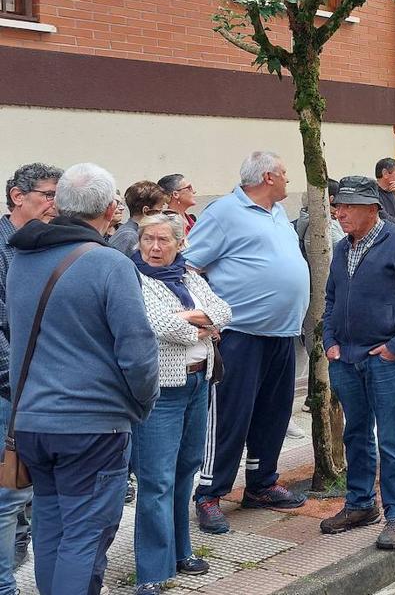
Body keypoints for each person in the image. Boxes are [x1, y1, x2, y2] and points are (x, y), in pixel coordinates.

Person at [7, 163, 158, 595]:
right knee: (85, 538)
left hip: (34, 423)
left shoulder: (22, 258)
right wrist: (142, 405)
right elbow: (138, 352)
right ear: (112, 210)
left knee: (51, 531)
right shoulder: (109, 264)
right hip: (91, 426)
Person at [187, 151, 310, 534]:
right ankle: (209, 493)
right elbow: (188, 266)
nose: (290, 180)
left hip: (280, 334)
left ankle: (261, 483)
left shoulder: (276, 214)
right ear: (269, 176)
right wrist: (209, 316)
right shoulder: (224, 212)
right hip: (240, 335)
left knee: (274, 413)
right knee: (229, 416)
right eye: (285, 173)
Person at [319, 176, 395, 550]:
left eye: (348, 207)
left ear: (372, 209)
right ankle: (360, 504)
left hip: (383, 359)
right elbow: (332, 297)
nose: (340, 213)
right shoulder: (340, 248)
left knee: (390, 438)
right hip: (345, 359)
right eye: (338, 206)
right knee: (355, 434)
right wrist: (329, 342)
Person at [131, 212, 231, 594]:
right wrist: (201, 325)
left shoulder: (189, 276)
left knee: (186, 469)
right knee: (156, 479)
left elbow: (224, 310)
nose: (154, 248)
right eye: (148, 240)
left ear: (179, 243)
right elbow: (163, 326)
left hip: (198, 382)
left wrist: (196, 318)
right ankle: (151, 573)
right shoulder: (134, 279)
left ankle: (180, 551)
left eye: (163, 241)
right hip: (163, 390)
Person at [0, 162, 61, 594]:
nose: (56, 205)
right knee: (8, 494)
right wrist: (16, 383)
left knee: (36, 492)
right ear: (18, 197)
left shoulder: (43, 245)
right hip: (11, 391)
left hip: (44, 389)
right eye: (49, 195)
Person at [110, 181, 168, 256]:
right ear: (146, 211)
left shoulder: (136, 233)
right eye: (160, 209)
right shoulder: (129, 237)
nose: (161, 214)